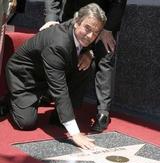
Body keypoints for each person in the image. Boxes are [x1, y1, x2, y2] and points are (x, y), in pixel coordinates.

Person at [6, 3, 107, 149]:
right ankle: (11, 101)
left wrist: (89, 53)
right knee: (26, 123)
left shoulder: (79, 32)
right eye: (87, 28)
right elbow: (59, 89)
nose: (90, 36)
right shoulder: (58, 44)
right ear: (76, 21)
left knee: (85, 65)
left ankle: (59, 115)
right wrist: (75, 133)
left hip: (50, 73)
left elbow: (91, 44)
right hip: (25, 76)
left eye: (96, 32)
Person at [40, 0, 127, 132]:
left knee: (103, 59)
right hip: (74, 15)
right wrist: (51, 18)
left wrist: (108, 28)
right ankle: (60, 107)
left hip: (104, 17)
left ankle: (103, 113)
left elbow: (118, 2)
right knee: (67, 56)